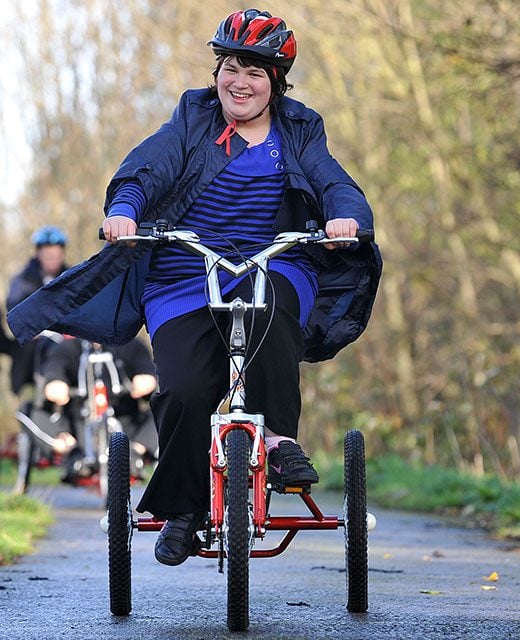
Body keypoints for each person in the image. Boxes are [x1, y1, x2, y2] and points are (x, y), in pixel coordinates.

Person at [8, 8, 382, 567]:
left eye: (257, 72)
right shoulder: (193, 117)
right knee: (182, 386)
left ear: (276, 82)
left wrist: (344, 219)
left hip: (273, 261)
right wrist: (126, 211)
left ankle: (277, 441)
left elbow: (334, 182)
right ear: (217, 72)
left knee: (272, 311)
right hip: (186, 268)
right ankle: (184, 508)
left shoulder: (300, 128)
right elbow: (148, 168)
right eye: (232, 66)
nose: (241, 81)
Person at [41, 336, 158, 480]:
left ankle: (135, 452)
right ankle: (72, 452)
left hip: (127, 424)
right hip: (80, 426)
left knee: (168, 406)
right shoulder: (67, 348)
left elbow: (148, 370)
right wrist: (55, 383)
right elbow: (54, 369)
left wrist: (146, 380)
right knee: (28, 410)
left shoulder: (131, 345)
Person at [6, 226, 69, 396]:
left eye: (56, 256)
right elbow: (14, 306)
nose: (52, 260)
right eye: (47, 256)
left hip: (66, 341)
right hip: (34, 347)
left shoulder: (71, 275)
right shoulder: (23, 281)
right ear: (38, 254)